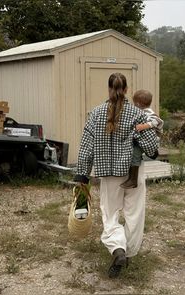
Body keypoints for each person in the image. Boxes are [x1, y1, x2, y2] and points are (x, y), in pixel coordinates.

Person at [74, 73, 158, 278]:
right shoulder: (137, 114)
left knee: (110, 213)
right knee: (134, 214)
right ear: (127, 90)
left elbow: (86, 146)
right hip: (133, 172)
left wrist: (82, 175)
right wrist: (150, 149)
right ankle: (127, 252)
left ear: (108, 89)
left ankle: (117, 248)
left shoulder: (95, 113)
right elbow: (152, 147)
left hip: (108, 174)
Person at [120, 89, 164, 189]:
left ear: (138, 104)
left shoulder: (148, 112)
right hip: (145, 140)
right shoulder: (141, 112)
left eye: (134, 103)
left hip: (151, 141)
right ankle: (131, 176)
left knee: (135, 154)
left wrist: (144, 126)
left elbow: (158, 121)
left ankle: (133, 180)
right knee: (134, 153)